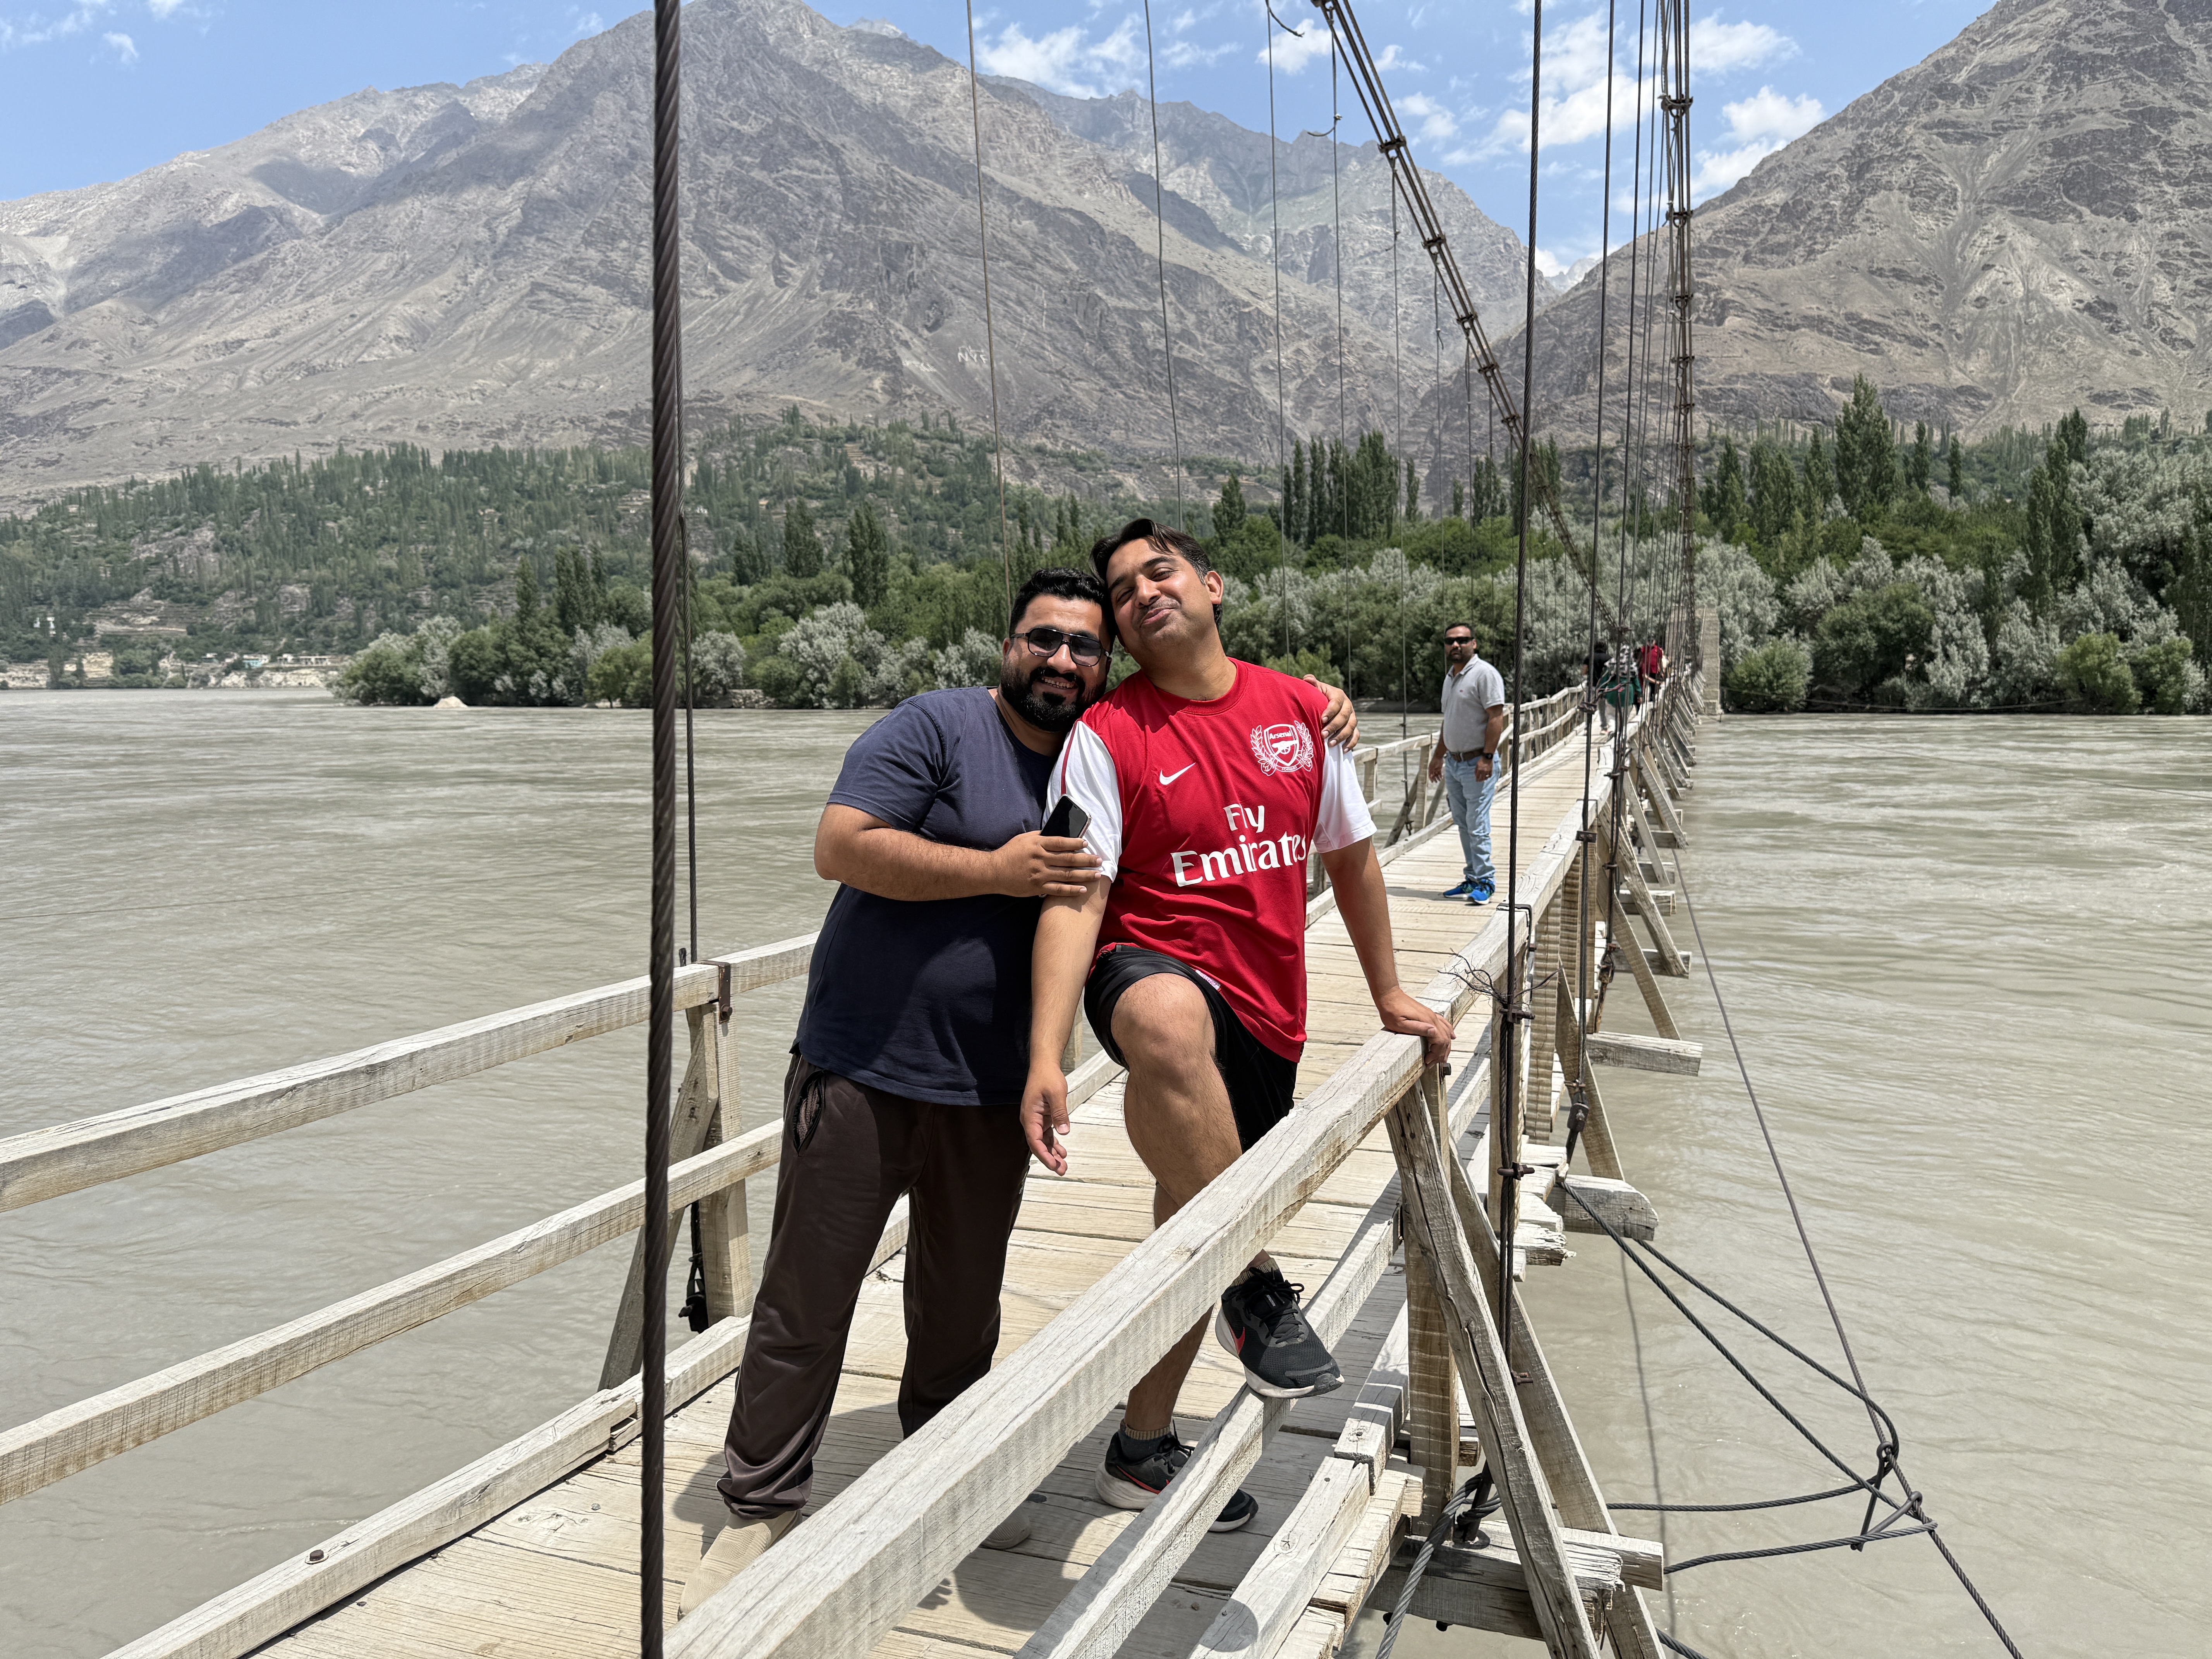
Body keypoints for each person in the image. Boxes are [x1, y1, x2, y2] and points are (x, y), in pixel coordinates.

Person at [682, 567, 1362, 1614]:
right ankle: (761, 1500)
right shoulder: (935, 728)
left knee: (960, 1309)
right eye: (1041, 639)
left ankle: (947, 1477)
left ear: (1110, 664)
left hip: (991, 1089)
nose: (1060, 659)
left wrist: (1311, 701)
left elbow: (1232, 735)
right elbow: (840, 846)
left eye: (1084, 646)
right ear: (1007, 646)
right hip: (864, 1067)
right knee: (807, 1299)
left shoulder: (1114, 752)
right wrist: (995, 870)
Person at [1020, 520, 1453, 1535]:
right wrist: (1047, 1051)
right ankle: (1256, 1281)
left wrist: (1389, 993)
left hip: (1269, 1013)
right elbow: (1075, 897)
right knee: (1168, 1024)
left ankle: (1137, 1451)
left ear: (1212, 585)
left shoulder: (1304, 713)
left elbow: (1348, 856)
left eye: (1157, 572)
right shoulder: (1107, 736)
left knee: (1189, 1217)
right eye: (1121, 591)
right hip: (1152, 972)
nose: (1140, 594)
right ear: (1122, 632)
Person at [1427, 623, 1506, 905]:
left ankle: (1486, 880)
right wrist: (1438, 756)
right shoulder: (1450, 677)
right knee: (1462, 822)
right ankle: (1472, 877)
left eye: (1462, 640)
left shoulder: (1485, 674)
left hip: (1477, 763)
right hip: (1454, 763)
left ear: (1475, 643)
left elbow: (1496, 717)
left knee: (1477, 823)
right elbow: (1450, 721)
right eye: (1450, 641)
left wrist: (1487, 757)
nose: (1456, 645)